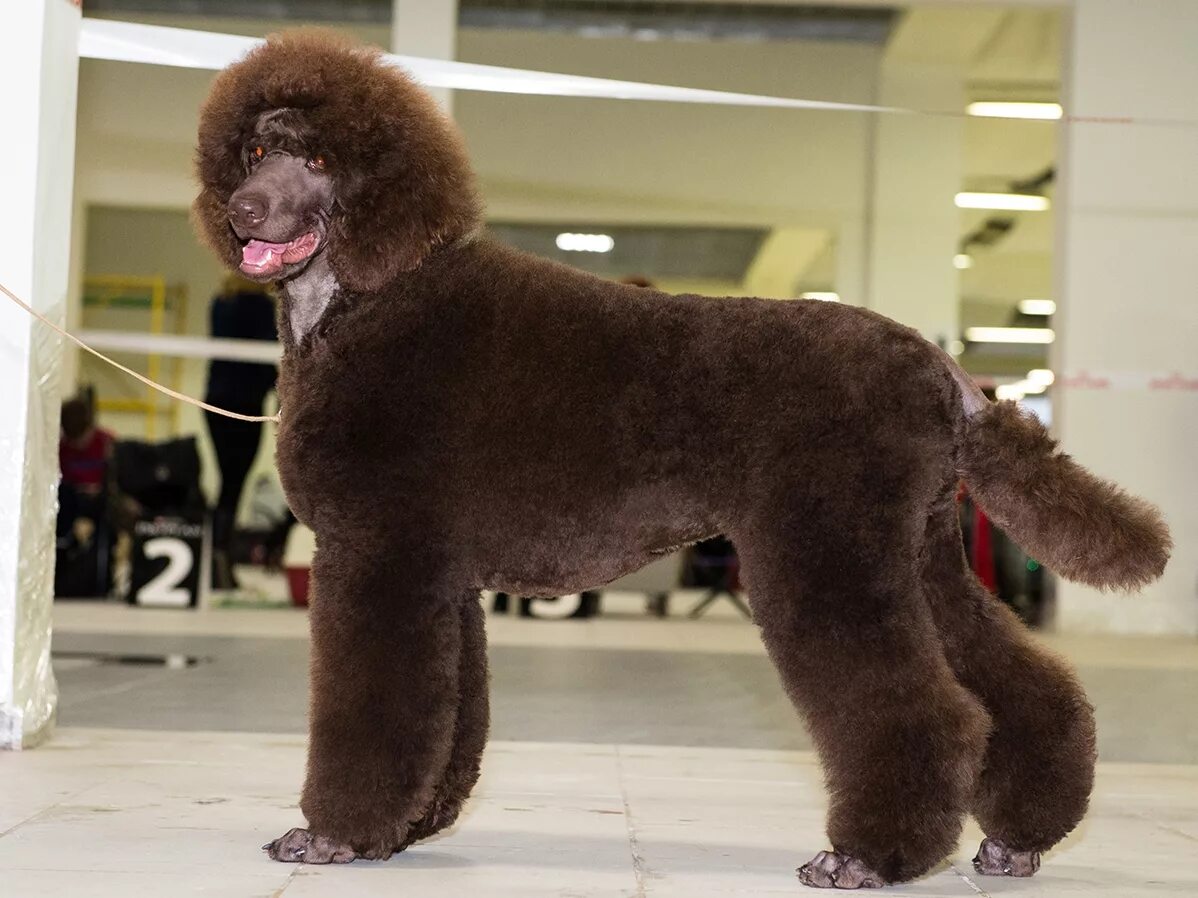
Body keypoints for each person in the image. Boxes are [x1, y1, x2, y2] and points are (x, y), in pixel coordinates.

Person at [204, 275, 279, 589]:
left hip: (214, 401)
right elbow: (266, 358)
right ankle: (219, 557)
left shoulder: (220, 303)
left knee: (227, 481)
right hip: (246, 404)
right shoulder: (262, 306)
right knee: (234, 482)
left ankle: (217, 555)